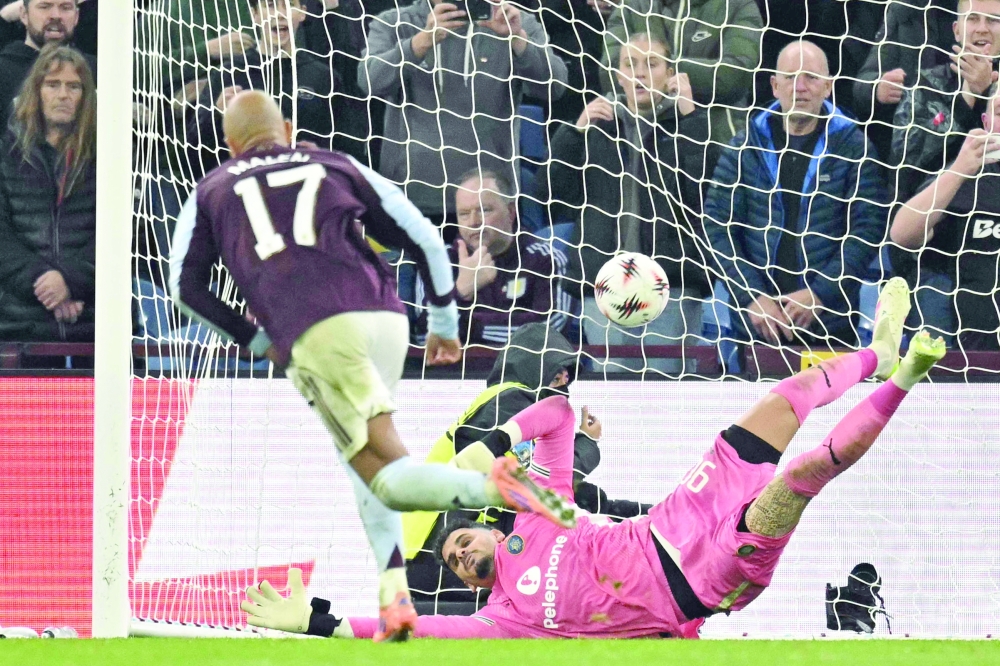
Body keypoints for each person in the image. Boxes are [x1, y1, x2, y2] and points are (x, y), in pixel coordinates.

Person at [241, 279, 949, 639]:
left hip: (677, 516)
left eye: (460, 540)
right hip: (701, 583)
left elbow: (557, 418)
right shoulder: (500, 619)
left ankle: (874, 355)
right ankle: (907, 376)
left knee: (779, 401)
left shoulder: (542, 512)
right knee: (798, 479)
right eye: (456, 559)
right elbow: (408, 628)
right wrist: (317, 621)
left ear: (488, 523)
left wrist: (502, 438)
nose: (459, 554)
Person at [168, 90, 576, 642]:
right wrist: (443, 325)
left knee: (384, 471)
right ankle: (393, 591)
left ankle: (492, 489)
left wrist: (257, 341)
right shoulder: (336, 162)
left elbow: (185, 289)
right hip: (386, 320)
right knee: (370, 467)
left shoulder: (214, 187)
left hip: (317, 330)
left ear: (229, 143)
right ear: (287, 128)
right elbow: (428, 240)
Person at [401, 323, 649, 611]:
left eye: (567, 375)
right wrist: (587, 444)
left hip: (431, 550)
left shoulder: (504, 401)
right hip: (441, 550)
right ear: (537, 364)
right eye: (558, 371)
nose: (565, 380)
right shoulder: (514, 398)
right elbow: (535, 481)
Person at [542, 30, 713, 376]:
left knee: (669, 393)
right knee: (611, 394)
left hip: (673, 286)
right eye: (629, 64)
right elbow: (555, 194)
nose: (639, 73)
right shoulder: (598, 129)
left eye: (651, 64)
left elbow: (703, 193)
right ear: (617, 75)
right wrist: (574, 132)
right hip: (604, 288)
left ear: (670, 74)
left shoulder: (688, 126)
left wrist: (692, 119)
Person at [704, 40, 886, 349]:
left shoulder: (854, 146)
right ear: (774, 85)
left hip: (830, 325)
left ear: (828, 87)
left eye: (811, 78)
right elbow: (716, 227)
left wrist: (819, 294)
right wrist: (753, 297)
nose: (799, 87)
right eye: (790, 77)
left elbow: (867, 230)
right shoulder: (744, 146)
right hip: (756, 326)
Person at [359, 0, 568, 234]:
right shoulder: (393, 22)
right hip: (413, 197)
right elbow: (369, 81)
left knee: (490, 271)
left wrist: (517, 38)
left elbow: (555, 87)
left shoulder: (516, 20)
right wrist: (421, 42)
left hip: (490, 201)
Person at [0, 45, 96, 347]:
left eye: (74, 86)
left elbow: (122, 235)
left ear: (86, 96)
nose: (63, 94)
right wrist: (45, 284)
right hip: (19, 321)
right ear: (36, 91)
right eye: (53, 84)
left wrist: (71, 282)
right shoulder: (6, 154)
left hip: (96, 318)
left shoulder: (110, 154)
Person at [891, 92, 1000, 349]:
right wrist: (960, 169)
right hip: (965, 351)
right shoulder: (963, 177)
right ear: (985, 122)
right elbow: (902, 236)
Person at [414, 169, 570, 347]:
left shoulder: (546, 260)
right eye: (464, 214)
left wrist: (468, 326)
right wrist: (460, 290)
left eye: (484, 210)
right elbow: (423, 336)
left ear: (511, 212)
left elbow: (547, 332)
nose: (473, 222)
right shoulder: (438, 263)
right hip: (452, 374)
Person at [186, 0, 337, 178]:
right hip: (244, 190)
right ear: (255, 15)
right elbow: (194, 154)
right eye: (271, 5)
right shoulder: (230, 73)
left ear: (302, 13)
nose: (280, 14)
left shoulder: (323, 77)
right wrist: (216, 114)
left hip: (309, 188)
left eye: (289, 5)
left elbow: (345, 148)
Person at [602, 0, 762, 155]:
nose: (641, 71)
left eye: (652, 64)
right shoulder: (633, 6)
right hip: (642, 143)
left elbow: (734, 76)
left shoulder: (736, 5)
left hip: (716, 143)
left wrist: (657, 67)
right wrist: (658, 69)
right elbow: (610, 72)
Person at [892, 0, 1000, 199]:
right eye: (972, 19)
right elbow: (907, 166)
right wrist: (969, 96)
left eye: (993, 20)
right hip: (936, 210)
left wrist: (987, 91)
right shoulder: (926, 83)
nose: (982, 29)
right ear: (956, 31)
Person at [851, 0, 959, 165]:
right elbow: (862, 82)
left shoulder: (986, 11)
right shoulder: (905, 11)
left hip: (973, 137)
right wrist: (877, 86)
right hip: (915, 146)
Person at [0, 0, 96, 127]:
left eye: (65, 8)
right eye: (45, 7)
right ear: (24, 14)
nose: (56, 15)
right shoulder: (3, 70)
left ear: (76, 16)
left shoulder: (99, 70)